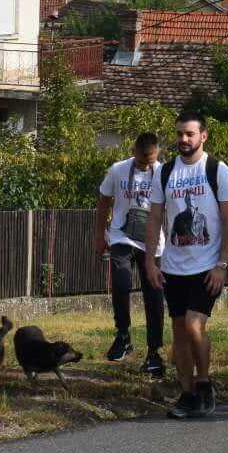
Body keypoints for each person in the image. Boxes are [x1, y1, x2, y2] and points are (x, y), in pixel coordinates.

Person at [143, 112, 228, 419]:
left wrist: (222, 264)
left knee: (194, 326)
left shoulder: (217, 170)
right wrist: (150, 261)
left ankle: (203, 382)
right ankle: (185, 393)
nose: (184, 139)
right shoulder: (166, 171)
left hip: (207, 265)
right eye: (180, 134)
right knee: (179, 332)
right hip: (173, 266)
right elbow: (155, 217)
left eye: (190, 134)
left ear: (203, 136)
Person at [94, 132, 166, 376]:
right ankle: (123, 334)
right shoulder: (118, 169)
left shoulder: (163, 172)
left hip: (152, 241)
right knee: (121, 281)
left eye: (152, 159)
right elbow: (104, 200)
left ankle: (154, 351)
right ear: (134, 150)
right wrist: (99, 235)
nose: (147, 164)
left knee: (154, 296)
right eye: (143, 159)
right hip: (121, 234)